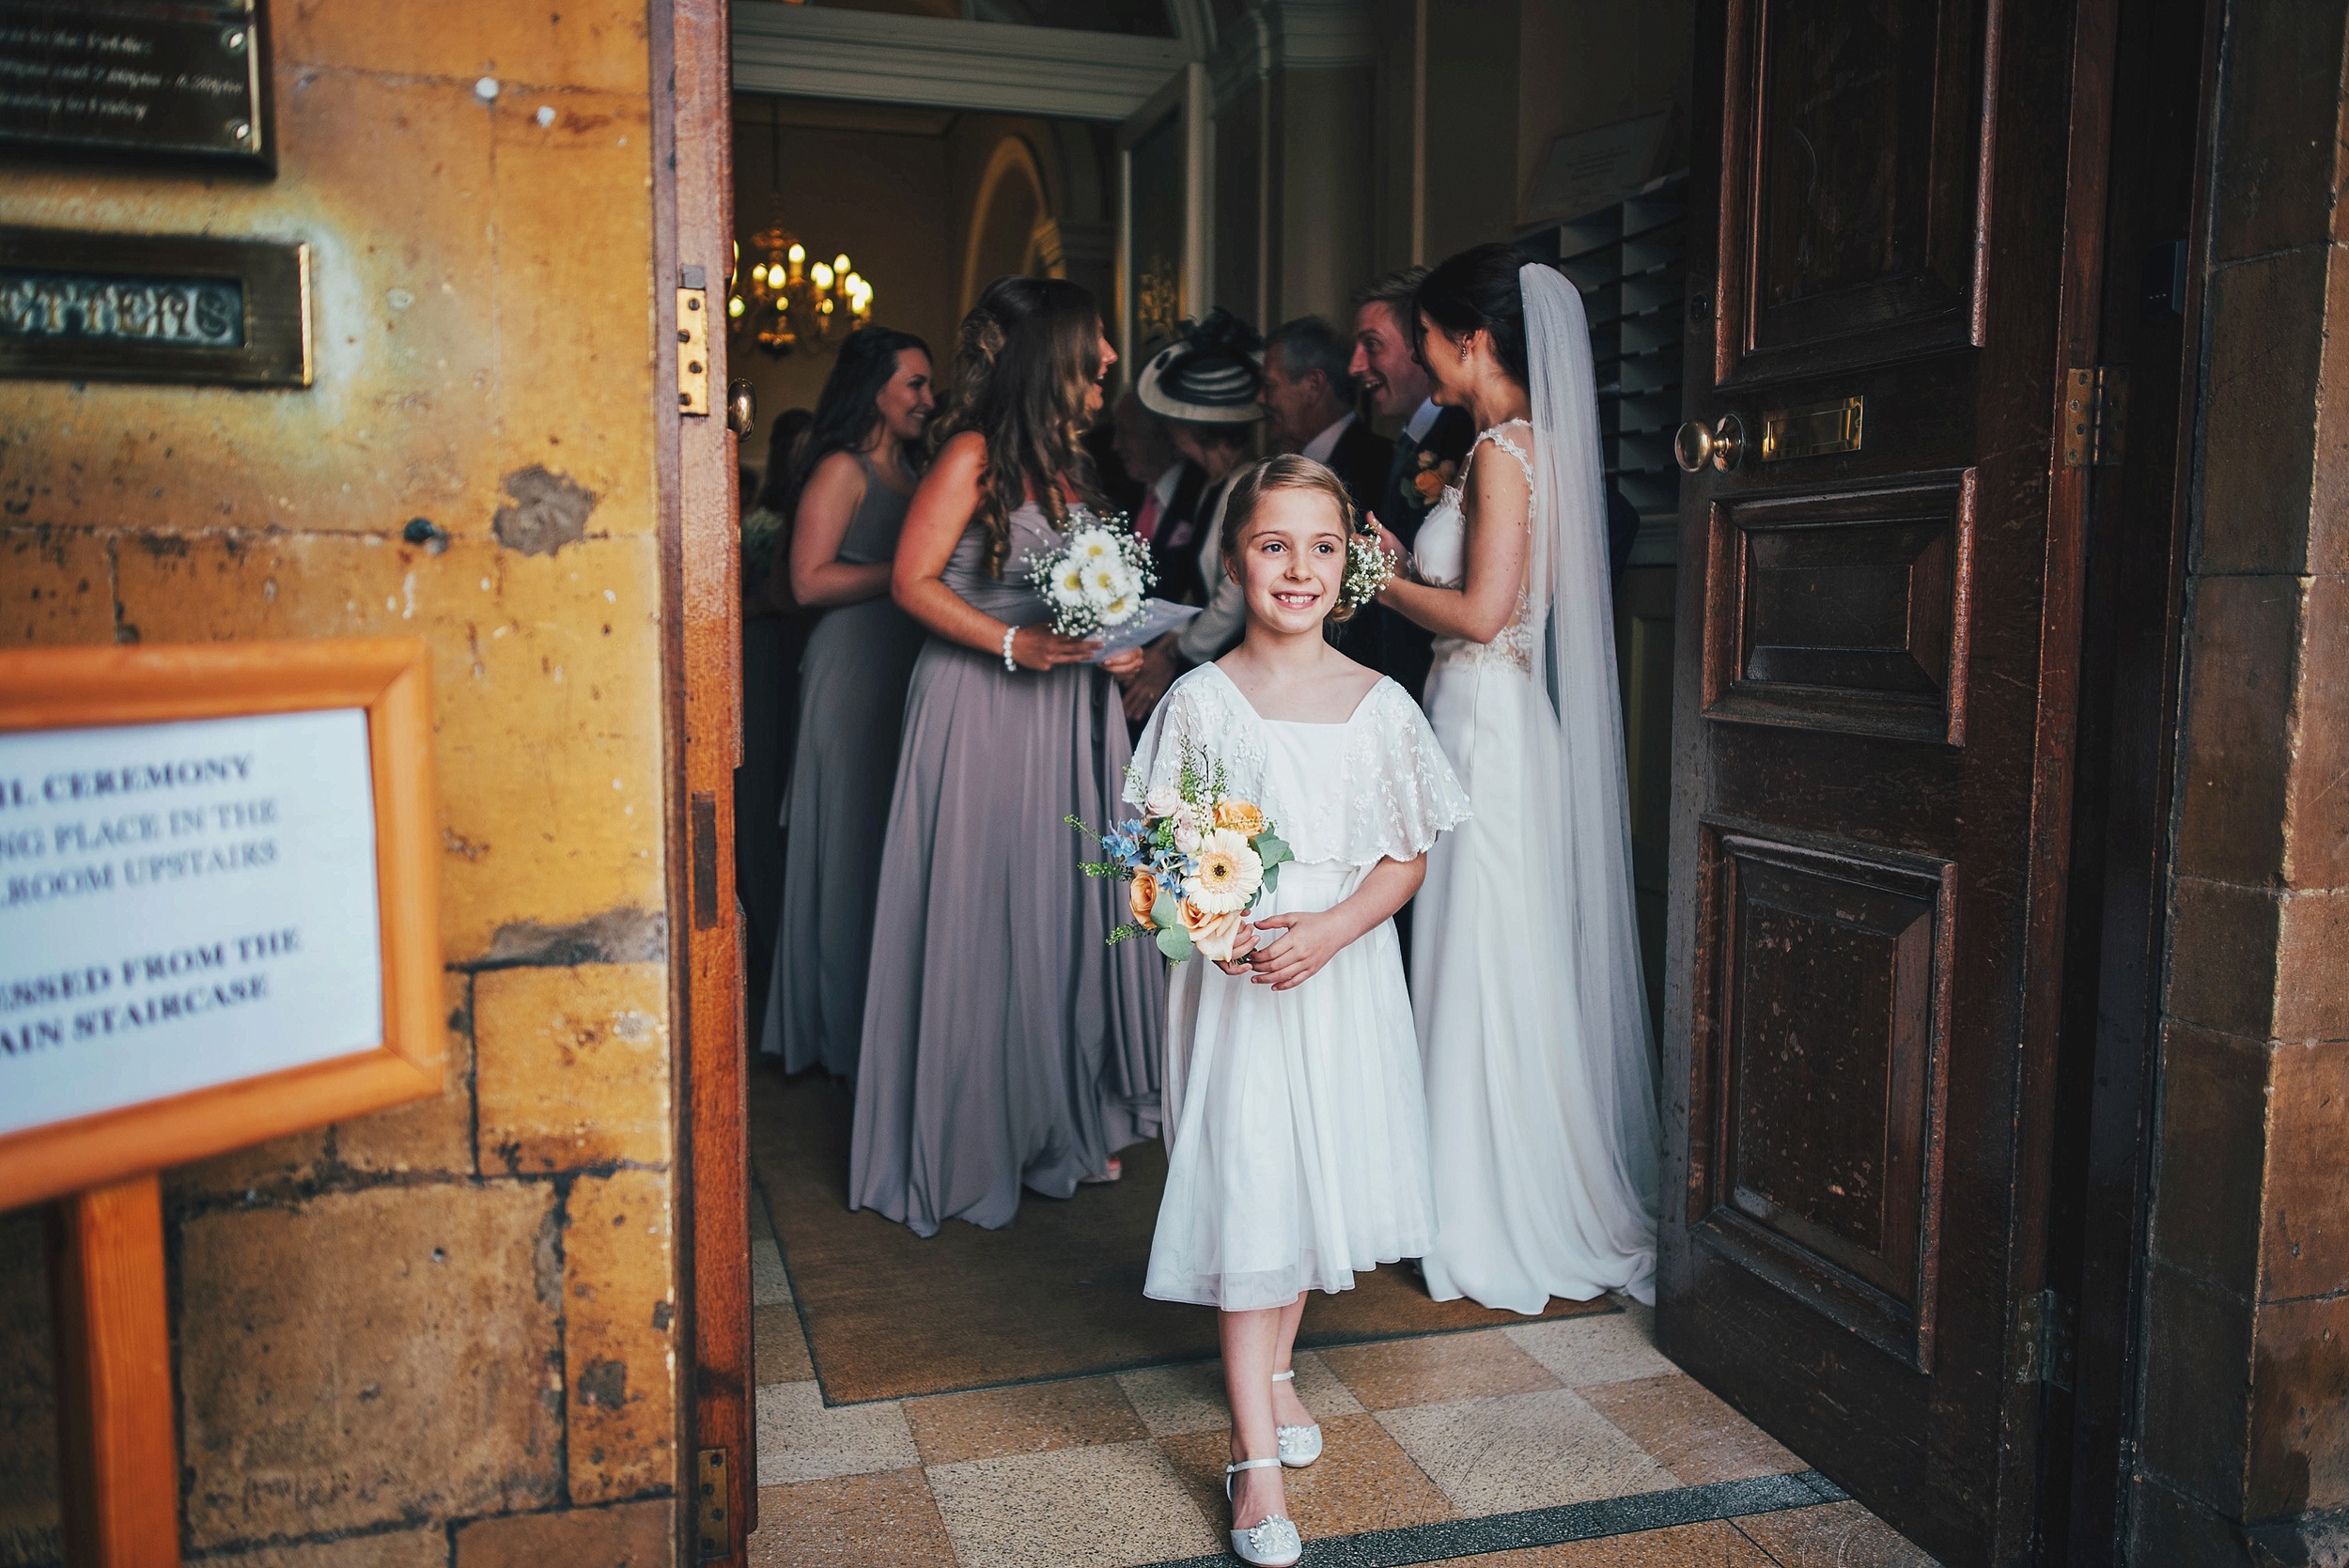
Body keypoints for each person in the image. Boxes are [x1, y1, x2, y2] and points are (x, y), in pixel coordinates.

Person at [1134, 456, 1468, 1568]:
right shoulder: (1200, 703)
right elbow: (1154, 867)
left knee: (1307, 1179)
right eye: (1273, 544)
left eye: (1321, 547)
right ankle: (1252, 1460)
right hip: (1239, 993)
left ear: (1351, 566)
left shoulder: (1381, 705)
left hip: (1338, 977)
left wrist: (1328, 931)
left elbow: (1404, 858)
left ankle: (1276, 1372)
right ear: (1237, 559)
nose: (1297, 568)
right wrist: (1213, 930)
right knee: (1255, 1189)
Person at [1372, 243, 1661, 1312]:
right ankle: (1486, 1189)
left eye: (1428, 338)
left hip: (1482, 725)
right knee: (1491, 956)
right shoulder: (1528, 447)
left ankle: (1480, 1213)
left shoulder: (1500, 451)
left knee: (1480, 956)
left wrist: (1382, 578)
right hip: (1496, 720)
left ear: (1472, 339)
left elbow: (1483, 616)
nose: (1422, 357)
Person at [849, 276, 1162, 1235]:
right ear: (1048, 354)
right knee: (983, 907)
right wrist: (1012, 643)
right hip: (983, 704)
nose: (1110, 359)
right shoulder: (972, 454)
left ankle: (1053, 1121)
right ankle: (969, 1133)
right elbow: (908, 581)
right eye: (1095, 341)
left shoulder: (1069, 469)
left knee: (1059, 910)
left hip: (1067, 713)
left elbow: (1086, 592)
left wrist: (1126, 639)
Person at [757, 330, 935, 1079]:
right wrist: (903, 573)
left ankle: (881, 1025)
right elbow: (805, 582)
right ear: (875, 390)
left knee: (881, 842)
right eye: (916, 385)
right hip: (848, 668)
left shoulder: (921, 472)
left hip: (901, 666)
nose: (930, 399)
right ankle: (836, 1035)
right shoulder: (841, 468)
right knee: (844, 839)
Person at [1123, 310, 1267, 718]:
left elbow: (1234, 593)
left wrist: (1177, 653)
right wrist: (1171, 641)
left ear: (1196, 427)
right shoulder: (1212, 485)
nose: (1168, 430)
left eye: (1175, 421)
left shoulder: (1245, 486)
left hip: (1233, 667)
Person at [1347, 269, 1473, 706]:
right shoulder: (1404, 442)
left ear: (1419, 345)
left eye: (1372, 345)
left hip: (1452, 678)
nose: (1355, 366)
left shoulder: (1471, 436)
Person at [739, 406, 815, 1030]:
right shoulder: (761, 522)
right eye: (791, 448)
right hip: (767, 654)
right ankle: (765, 937)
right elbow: (767, 592)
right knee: (764, 791)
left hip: (805, 652)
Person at [1260, 316, 1390, 520]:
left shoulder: (1379, 469)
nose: (1260, 398)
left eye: (1269, 386)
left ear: (1314, 385)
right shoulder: (1281, 465)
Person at [1110, 388, 1207, 608]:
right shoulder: (1120, 494)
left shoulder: (1201, 494)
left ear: (1161, 435)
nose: (1115, 445)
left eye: (1125, 433)